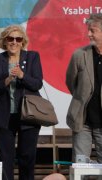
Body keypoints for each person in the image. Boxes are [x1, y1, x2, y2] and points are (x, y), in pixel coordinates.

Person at [0, 25, 43, 180]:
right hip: (4, 117)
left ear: (23, 41)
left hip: (28, 116)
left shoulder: (32, 57)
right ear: (4, 41)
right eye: (10, 39)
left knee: (27, 158)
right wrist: (7, 79)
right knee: (5, 160)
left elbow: (37, 84)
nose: (14, 42)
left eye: (18, 39)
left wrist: (21, 75)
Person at [66, 13, 102, 164]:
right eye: (88, 30)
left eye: (93, 30)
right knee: (80, 166)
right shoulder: (79, 55)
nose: (89, 34)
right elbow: (71, 82)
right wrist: (81, 96)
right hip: (82, 122)